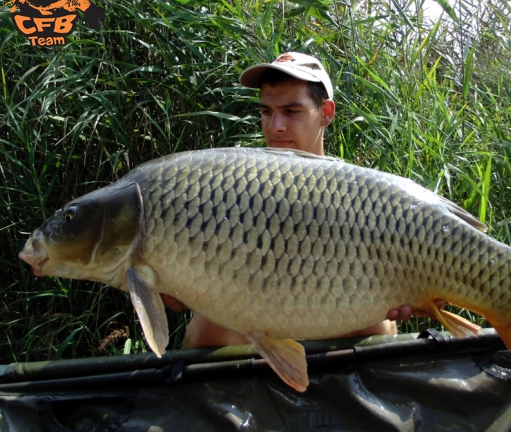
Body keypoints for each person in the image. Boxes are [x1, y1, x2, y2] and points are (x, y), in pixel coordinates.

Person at [164, 52, 412, 348]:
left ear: (326, 112)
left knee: (378, 324)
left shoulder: (360, 194)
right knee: (210, 324)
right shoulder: (234, 187)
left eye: (292, 111)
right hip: (250, 347)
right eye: (266, 111)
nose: (275, 126)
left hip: (340, 348)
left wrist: (409, 295)